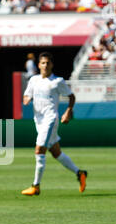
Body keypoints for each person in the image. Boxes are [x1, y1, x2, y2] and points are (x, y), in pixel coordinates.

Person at [21, 52, 87, 196]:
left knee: (39, 150)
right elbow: (27, 94)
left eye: (48, 63)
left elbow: (71, 96)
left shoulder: (57, 81)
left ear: (52, 65)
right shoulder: (34, 80)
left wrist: (68, 112)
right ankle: (80, 173)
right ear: (38, 65)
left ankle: (36, 186)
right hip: (38, 120)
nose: (45, 65)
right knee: (56, 152)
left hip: (50, 119)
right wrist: (26, 99)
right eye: (43, 63)